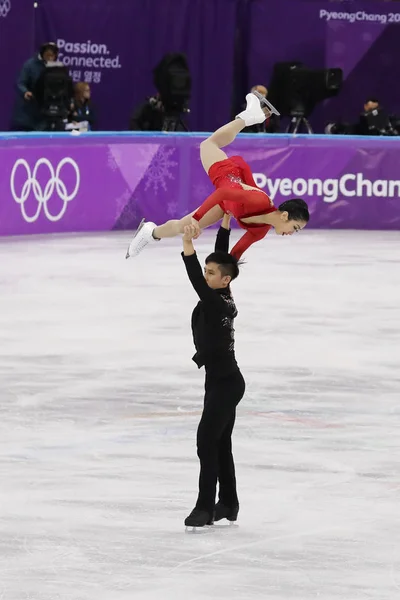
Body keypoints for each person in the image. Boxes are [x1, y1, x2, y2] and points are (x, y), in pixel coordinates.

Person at [126, 92, 309, 261]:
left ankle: (149, 232)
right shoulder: (259, 201)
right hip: (226, 176)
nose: (291, 233)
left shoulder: (260, 231)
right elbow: (222, 193)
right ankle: (248, 117)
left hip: (226, 203)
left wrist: (225, 279)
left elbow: (234, 255)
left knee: (181, 227)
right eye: (295, 228)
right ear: (285, 216)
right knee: (209, 144)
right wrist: (197, 219)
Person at [182, 214, 245, 528]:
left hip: (225, 384)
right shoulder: (224, 292)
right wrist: (224, 226)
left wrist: (188, 244)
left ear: (224, 281)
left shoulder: (216, 302)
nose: (206, 276)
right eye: (205, 271)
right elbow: (224, 261)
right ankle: (229, 503)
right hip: (222, 381)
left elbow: (197, 280)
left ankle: (205, 507)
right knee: (220, 443)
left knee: (206, 442)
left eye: (211, 273)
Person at [11, 42, 59, 132]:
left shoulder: (55, 68)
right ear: (42, 53)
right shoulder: (30, 65)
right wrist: (25, 92)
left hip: (43, 114)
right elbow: (20, 83)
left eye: (52, 56)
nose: (50, 58)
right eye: (47, 55)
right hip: (27, 114)